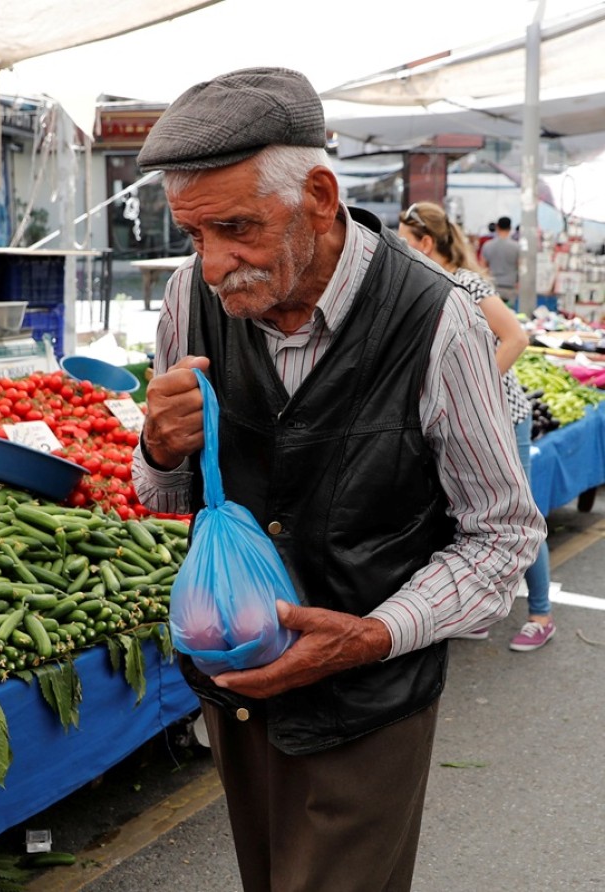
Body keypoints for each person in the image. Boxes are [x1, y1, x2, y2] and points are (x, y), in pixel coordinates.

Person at [131, 67, 544, 891]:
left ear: (320, 196)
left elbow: (503, 534)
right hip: (238, 684)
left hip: (369, 704)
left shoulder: (437, 319)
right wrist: (159, 446)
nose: (213, 264)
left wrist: (371, 635)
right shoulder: (190, 298)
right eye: (195, 236)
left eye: (237, 228)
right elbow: (166, 498)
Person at [399, 201, 555, 652]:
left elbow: (517, 337)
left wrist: (472, 390)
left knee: (515, 516)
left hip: (506, 419)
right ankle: (481, 611)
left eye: (406, 244)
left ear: (427, 244)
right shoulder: (423, 287)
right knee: (466, 514)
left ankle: (541, 614)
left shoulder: (465, 283)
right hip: (461, 425)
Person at [481, 215, 520, 305]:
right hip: (510, 286)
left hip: (492, 287)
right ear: (510, 228)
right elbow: (520, 266)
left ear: (497, 227)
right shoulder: (516, 247)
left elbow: (482, 266)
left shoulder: (487, 245)